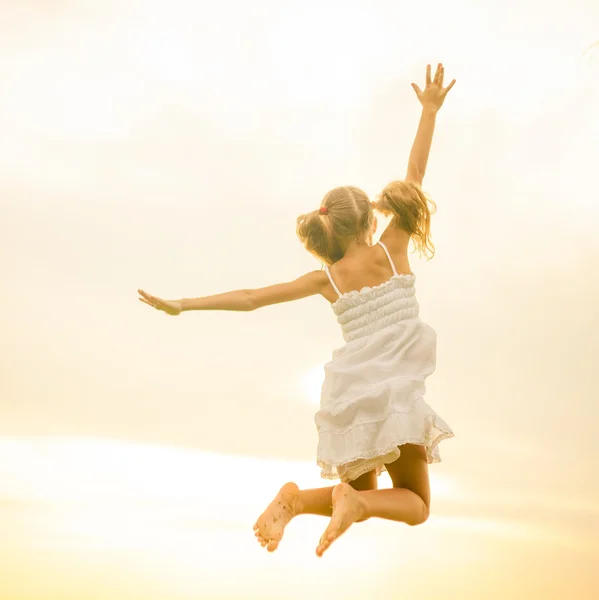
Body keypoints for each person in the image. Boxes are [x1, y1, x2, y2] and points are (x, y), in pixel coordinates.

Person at [138, 63, 456, 557]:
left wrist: (184, 305)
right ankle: (359, 507)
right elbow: (415, 175)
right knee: (414, 504)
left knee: (366, 492)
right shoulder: (391, 251)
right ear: (372, 220)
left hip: (351, 396)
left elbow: (250, 298)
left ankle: (296, 501)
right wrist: (430, 112)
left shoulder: (325, 279)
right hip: (392, 393)